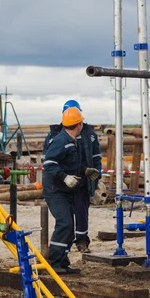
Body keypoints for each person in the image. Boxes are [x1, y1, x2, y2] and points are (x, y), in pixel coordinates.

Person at [42, 106, 100, 273]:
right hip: (55, 191)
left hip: (65, 191)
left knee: (68, 225)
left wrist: (85, 171)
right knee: (65, 224)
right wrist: (64, 177)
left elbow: (72, 163)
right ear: (79, 124)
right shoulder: (61, 141)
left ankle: (62, 262)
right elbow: (49, 164)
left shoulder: (72, 140)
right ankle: (54, 263)